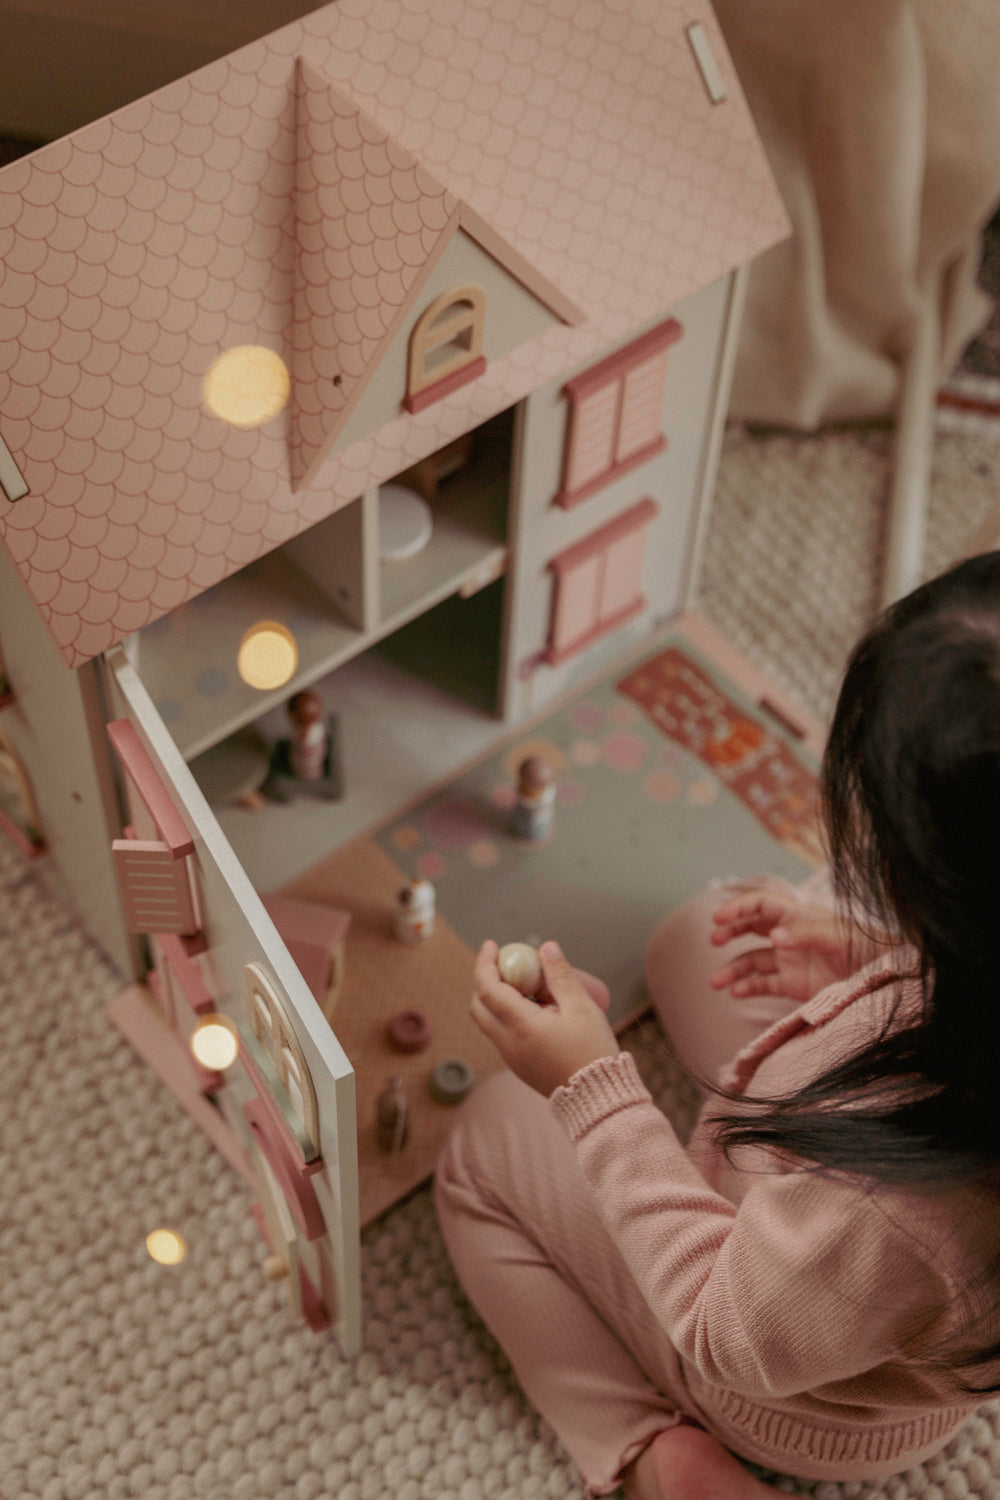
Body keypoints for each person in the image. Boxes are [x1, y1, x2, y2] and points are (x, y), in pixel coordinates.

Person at [434, 552, 1000, 1499]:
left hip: (784, 1383)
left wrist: (596, 1093)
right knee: (696, 939)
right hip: (864, 1234)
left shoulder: (883, 1207)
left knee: (488, 1135)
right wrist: (869, 954)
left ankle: (655, 1453)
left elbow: (725, 1332)